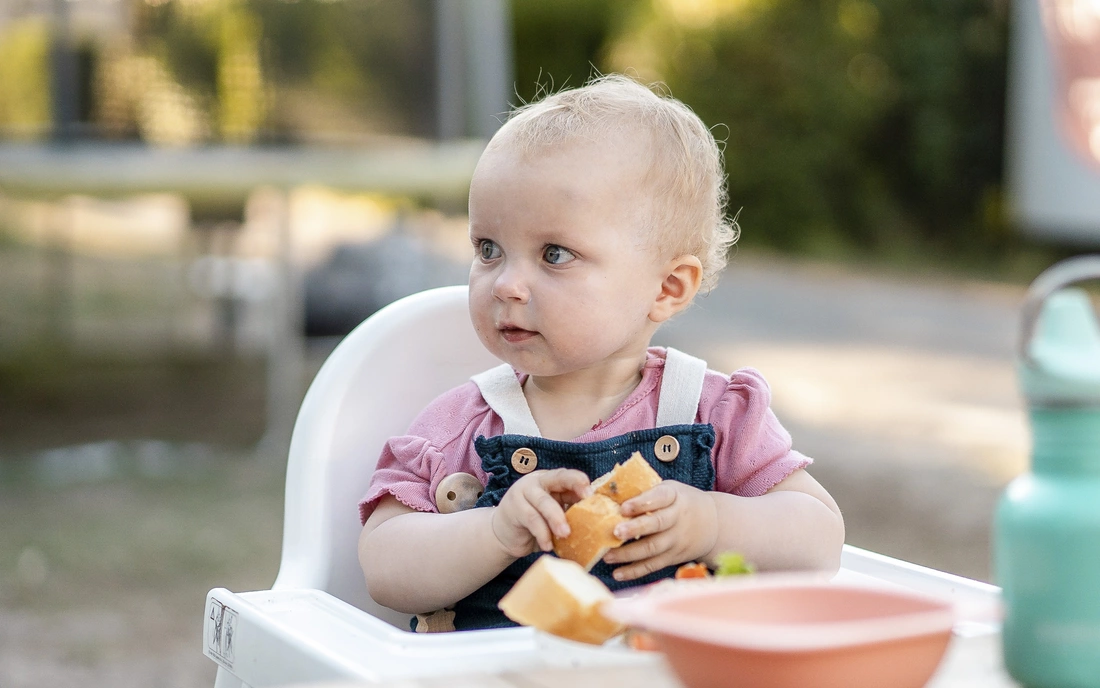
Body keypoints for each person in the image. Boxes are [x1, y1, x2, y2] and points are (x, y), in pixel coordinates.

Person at [357, 74, 845, 632]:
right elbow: (383, 565)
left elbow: (820, 539)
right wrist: (492, 532)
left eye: (555, 254)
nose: (506, 284)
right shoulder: (462, 428)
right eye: (488, 249)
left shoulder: (715, 415)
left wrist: (713, 523)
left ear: (666, 288)